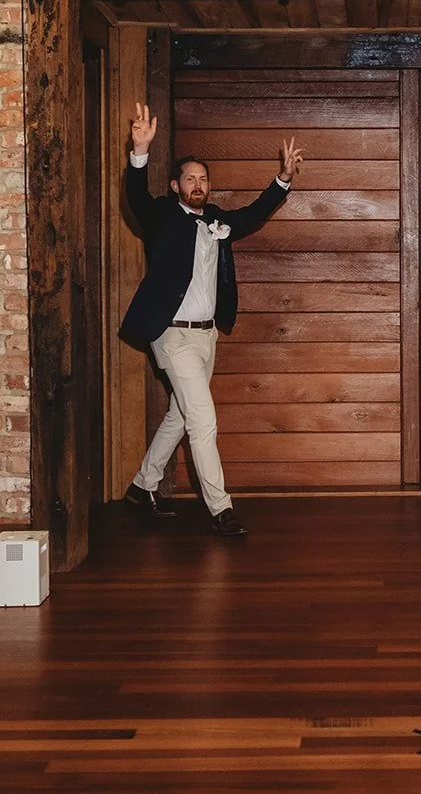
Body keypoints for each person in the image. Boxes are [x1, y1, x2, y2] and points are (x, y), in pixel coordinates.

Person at [119, 102, 303, 537]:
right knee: (204, 420)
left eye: (203, 179)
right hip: (172, 336)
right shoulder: (163, 215)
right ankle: (221, 510)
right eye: (190, 179)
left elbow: (253, 215)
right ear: (176, 185)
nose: (197, 185)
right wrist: (139, 152)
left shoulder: (218, 219)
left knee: (181, 416)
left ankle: (142, 485)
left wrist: (284, 179)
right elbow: (136, 199)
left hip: (205, 338)